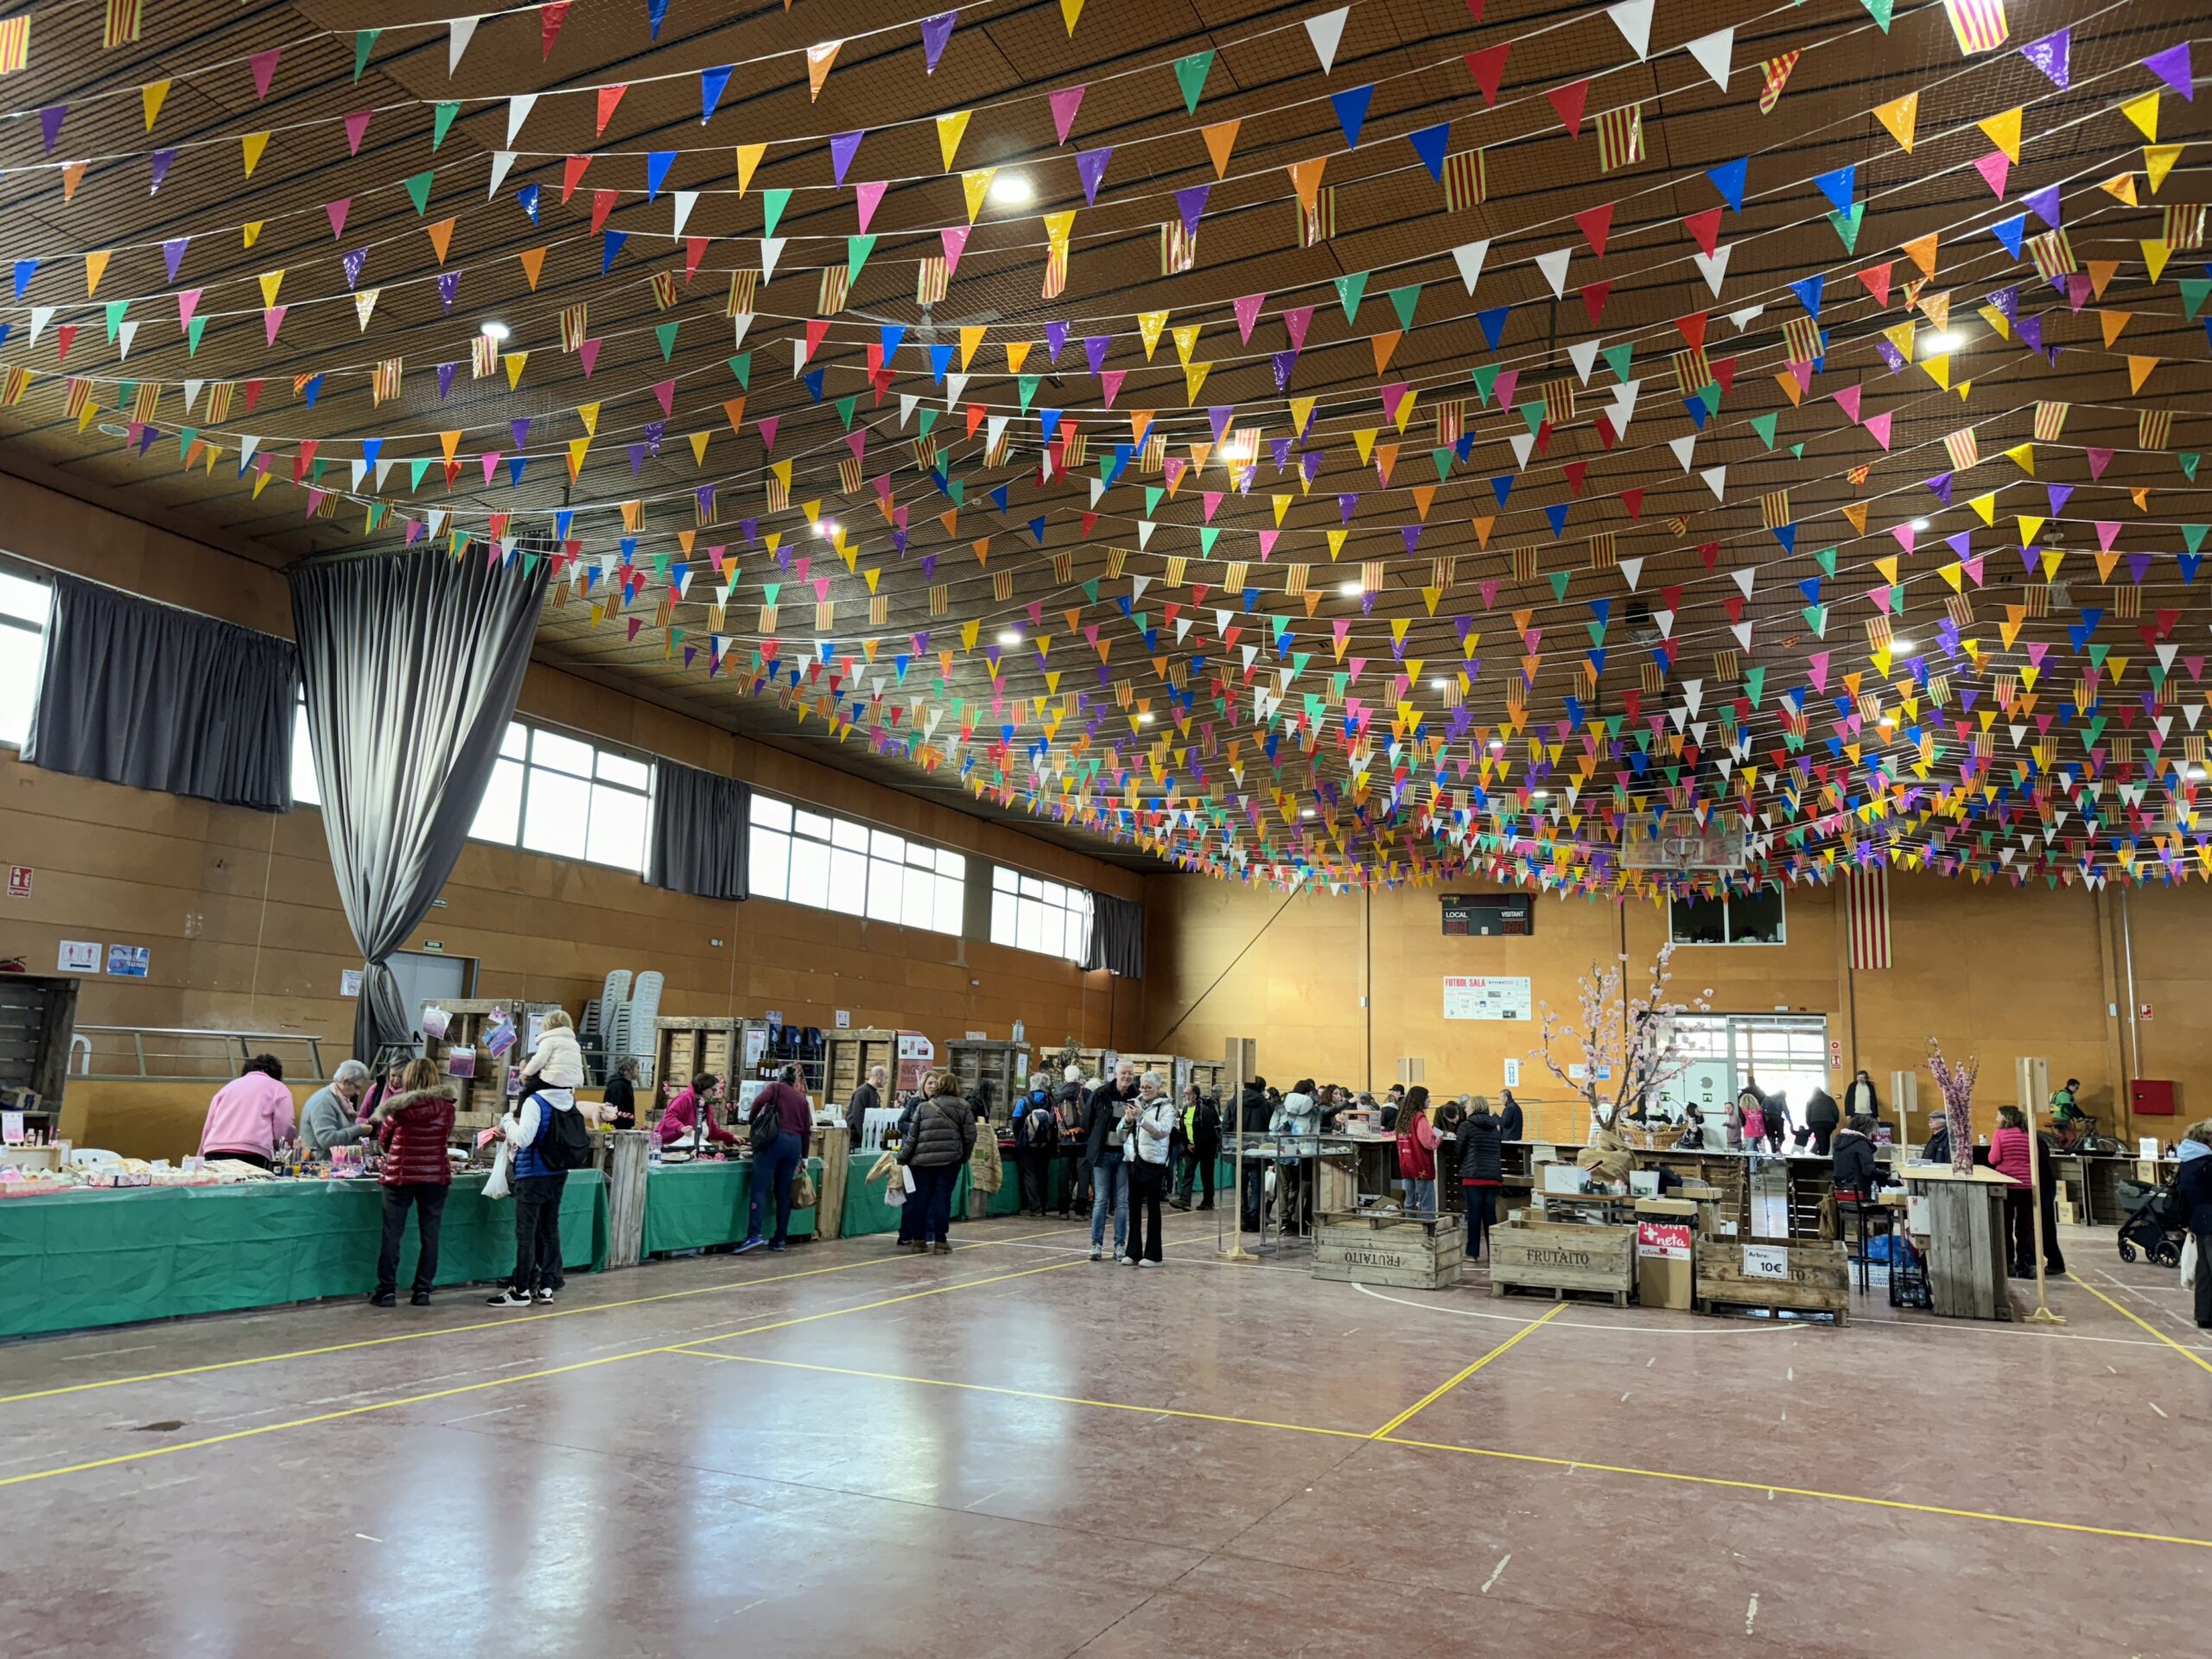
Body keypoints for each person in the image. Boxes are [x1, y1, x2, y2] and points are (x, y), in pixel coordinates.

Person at [488, 1053, 590, 1307]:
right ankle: (546, 1287)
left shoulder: (535, 1101)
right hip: (557, 1174)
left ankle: (521, 1290)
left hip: (532, 1174)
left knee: (526, 1233)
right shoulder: (567, 1100)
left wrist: (507, 1121)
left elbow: (524, 1138)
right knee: (549, 1229)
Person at [368, 1058, 456, 1306]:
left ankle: (386, 1291)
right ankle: (423, 1291)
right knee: (431, 1234)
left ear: (408, 1078)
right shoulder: (447, 1108)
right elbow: (445, 1136)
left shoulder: (396, 1108)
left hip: (399, 1176)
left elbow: (385, 1142)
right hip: (435, 1176)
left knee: (392, 1234)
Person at [737, 1065, 813, 1255]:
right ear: (795, 1081)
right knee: (783, 1194)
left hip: (774, 1140)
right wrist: (805, 1157)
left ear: (780, 1078)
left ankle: (754, 1234)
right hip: (794, 1145)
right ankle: (780, 1239)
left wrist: (752, 1120)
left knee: (759, 1189)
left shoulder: (775, 1088)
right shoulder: (802, 1099)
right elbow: (807, 1131)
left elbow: (758, 1101)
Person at [899, 1071, 975, 1255]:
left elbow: (913, 1137)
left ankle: (919, 1241)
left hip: (922, 1161)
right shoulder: (964, 1106)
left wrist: (902, 1158)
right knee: (942, 1199)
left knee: (921, 1199)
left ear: (939, 1086)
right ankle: (940, 1241)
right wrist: (964, 1156)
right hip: (949, 1161)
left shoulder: (924, 1107)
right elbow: (970, 1136)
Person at [1084, 1060, 1141, 1259]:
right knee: (1101, 1200)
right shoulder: (1100, 1094)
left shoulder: (1137, 1098)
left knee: (1122, 1201)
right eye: (1124, 1073)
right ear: (1116, 1074)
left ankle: (1119, 1246)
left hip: (1125, 1156)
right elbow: (1088, 1122)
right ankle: (1096, 1245)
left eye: (1130, 1073)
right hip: (1103, 1155)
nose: (1127, 1077)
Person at [198, 1054, 296, 1169]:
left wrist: (200, 1155)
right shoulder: (278, 1088)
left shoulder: (227, 1088)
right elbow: (285, 1124)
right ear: (278, 1076)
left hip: (213, 1150)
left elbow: (209, 1124)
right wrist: (282, 1154)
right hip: (252, 1151)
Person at [1123, 1071, 1175, 1267]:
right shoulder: (1134, 1103)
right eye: (1142, 1087)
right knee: (1134, 1208)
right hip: (1134, 1159)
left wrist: (1141, 1117)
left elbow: (1162, 1131)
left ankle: (1154, 1255)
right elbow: (1121, 1130)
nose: (1144, 1090)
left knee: (1153, 1209)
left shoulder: (1167, 1108)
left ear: (1158, 1088)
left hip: (1154, 1162)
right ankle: (1133, 1251)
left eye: (1148, 1087)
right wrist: (1127, 1120)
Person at [1989, 1105, 2037, 1277]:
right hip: (2028, 1184)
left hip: (2008, 1183)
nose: (1996, 1118)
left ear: (2006, 1117)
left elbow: (1994, 1158)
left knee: (2005, 1225)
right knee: (2026, 1227)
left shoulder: (2000, 1134)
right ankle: (2027, 1265)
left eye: (1998, 1115)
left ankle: (2007, 1263)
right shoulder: (2029, 1135)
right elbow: (2036, 1158)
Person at [1457, 1095, 1504, 1260]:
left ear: (1474, 1107)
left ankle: (1472, 1253)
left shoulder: (1466, 1125)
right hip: (1493, 1176)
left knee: (1474, 1215)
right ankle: (1494, 1254)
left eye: (1467, 1105)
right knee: (1490, 1215)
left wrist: (1462, 1166)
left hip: (1473, 1175)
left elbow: (1459, 1149)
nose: (1465, 1108)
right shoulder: (1495, 1127)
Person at [2177, 1121, 2212, 1329]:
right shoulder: (2206, 1164)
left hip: (2198, 1220)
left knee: (2204, 1270)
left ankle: (2204, 1315)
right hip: (2210, 1219)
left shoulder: (2189, 1161)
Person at [300, 1059, 374, 1157]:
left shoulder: (340, 1101)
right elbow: (327, 1140)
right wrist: (358, 1130)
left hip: (333, 1161)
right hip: (320, 1162)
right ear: (346, 1082)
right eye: (357, 1087)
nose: (357, 1093)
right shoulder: (323, 1102)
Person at [657, 1073, 735, 1148]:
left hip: (695, 1147)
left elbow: (713, 1131)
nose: (715, 1093)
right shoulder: (684, 1098)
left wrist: (732, 1137)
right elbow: (669, 1116)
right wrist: (682, 1128)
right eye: (713, 1090)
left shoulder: (707, 1105)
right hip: (671, 1146)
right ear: (703, 1087)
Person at [1015, 1084, 1059, 1214]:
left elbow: (1016, 1122)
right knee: (1043, 1174)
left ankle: (1034, 1206)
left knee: (1030, 1175)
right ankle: (1044, 1205)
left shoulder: (1024, 1101)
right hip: (1046, 1146)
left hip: (1027, 1146)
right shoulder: (1051, 1102)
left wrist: (1021, 1138)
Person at [1395, 1085, 1439, 1215]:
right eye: (1427, 1097)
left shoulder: (1402, 1117)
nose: (1429, 1100)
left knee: (1410, 1200)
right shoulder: (1419, 1117)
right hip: (1420, 1163)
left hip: (1406, 1162)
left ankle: (1409, 1224)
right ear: (1420, 1099)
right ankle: (1427, 1225)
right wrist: (1439, 1138)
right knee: (1425, 1200)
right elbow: (1428, 1142)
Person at [1177, 1086, 1221, 1211]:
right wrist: (1187, 1144)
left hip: (1206, 1148)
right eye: (1184, 1093)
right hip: (1191, 1148)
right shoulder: (1186, 1109)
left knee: (1206, 1175)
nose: (1184, 1096)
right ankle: (1184, 1200)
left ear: (1194, 1095)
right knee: (1188, 1173)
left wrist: (1197, 1144)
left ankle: (1208, 1201)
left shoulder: (1204, 1110)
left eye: (1187, 1093)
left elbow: (1207, 1132)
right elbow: (1183, 1129)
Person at [1238, 1075, 1273, 1231]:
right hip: (1259, 1152)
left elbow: (1226, 1125)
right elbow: (1270, 1127)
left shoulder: (1234, 1102)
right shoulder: (1266, 1105)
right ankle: (1253, 1220)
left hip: (1239, 1151)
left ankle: (1242, 1219)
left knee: (1241, 1187)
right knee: (1257, 1187)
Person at [1831, 1113, 1878, 1200]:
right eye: (1873, 1131)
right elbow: (1868, 1171)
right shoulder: (1861, 1144)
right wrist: (1885, 1175)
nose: (1874, 1134)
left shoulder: (1839, 1142)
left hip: (1842, 1192)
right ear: (1867, 1130)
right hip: (1860, 1192)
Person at [844, 1064, 887, 1143]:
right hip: (856, 1137)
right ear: (879, 1076)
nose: (886, 1081)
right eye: (886, 1078)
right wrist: (865, 1138)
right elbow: (857, 1115)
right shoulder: (862, 1091)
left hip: (867, 1136)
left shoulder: (875, 1094)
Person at [358, 1059, 408, 1124]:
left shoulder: (413, 1094)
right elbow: (361, 1117)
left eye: (401, 1077)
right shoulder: (376, 1089)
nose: (396, 1080)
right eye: (393, 1075)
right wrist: (369, 1122)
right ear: (388, 1073)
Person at [602, 1058, 639, 1131]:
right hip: (618, 1127)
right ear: (630, 1069)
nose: (638, 1071)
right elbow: (617, 1107)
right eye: (637, 1068)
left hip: (623, 1126)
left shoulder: (625, 1084)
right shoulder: (618, 1085)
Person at [1804, 1083, 1842, 1155]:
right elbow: (1835, 1111)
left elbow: (1807, 1113)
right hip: (1829, 1123)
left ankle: (1822, 1156)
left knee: (1821, 1140)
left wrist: (1809, 1123)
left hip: (1816, 1123)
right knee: (1826, 1138)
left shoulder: (1810, 1100)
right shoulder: (1829, 1099)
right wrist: (1836, 1120)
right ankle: (1825, 1154)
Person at [1732, 1077, 1763, 1151]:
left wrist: (1742, 1124)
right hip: (1758, 1127)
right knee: (1754, 1145)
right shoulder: (1759, 1092)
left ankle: (1751, 1159)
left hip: (1749, 1126)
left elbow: (1742, 1117)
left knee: (1750, 1146)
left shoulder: (1744, 1093)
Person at [1762, 1091, 1791, 1157]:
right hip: (1778, 1119)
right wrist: (1790, 1121)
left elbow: (1761, 1109)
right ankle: (1779, 1144)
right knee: (1781, 1136)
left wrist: (1764, 1119)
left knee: (1771, 1137)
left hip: (1768, 1120)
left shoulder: (1766, 1099)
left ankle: (1773, 1153)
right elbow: (1786, 1111)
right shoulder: (1781, 1100)